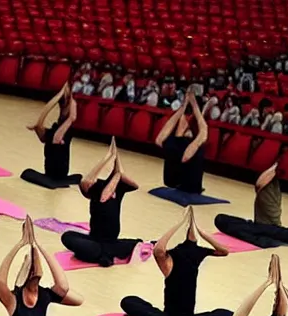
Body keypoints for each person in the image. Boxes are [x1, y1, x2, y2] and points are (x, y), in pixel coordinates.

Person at [121, 207, 233, 316]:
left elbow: (224, 251)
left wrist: (200, 231)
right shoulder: (174, 256)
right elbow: (158, 250)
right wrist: (179, 225)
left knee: (228, 314)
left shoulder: (195, 253)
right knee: (129, 301)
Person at [61, 139, 143, 267]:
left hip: (110, 242)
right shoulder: (97, 188)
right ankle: (100, 253)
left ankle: (102, 253)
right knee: (67, 236)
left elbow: (134, 185)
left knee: (129, 244)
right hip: (94, 239)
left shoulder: (119, 189)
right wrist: (106, 158)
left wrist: (117, 161)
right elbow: (87, 182)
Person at [214, 164, 288, 248]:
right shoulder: (270, 182)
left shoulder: (270, 185)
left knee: (272, 232)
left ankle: (261, 237)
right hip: (259, 226)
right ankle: (260, 235)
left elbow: (260, 183)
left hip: (268, 227)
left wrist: (277, 164)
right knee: (221, 219)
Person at [21, 81, 82, 189]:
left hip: (59, 172)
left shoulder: (72, 106)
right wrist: (39, 125)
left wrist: (71, 118)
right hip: (49, 171)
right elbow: (43, 139)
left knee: (56, 139)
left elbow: (72, 118)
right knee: (27, 172)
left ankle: (54, 180)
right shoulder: (61, 103)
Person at [155, 89, 208, 195]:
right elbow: (203, 131)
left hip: (178, 183)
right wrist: (192, 107)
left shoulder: (173, 142)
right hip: (185, 186)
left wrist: (185, 107)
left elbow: (162, 135)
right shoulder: (180, 143)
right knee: (197, 144)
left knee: (194, 145)